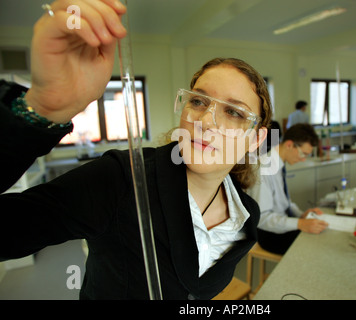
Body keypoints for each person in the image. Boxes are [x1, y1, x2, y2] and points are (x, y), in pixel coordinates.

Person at [0, 0, 272, 300]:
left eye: (234, 112)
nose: (206, 121)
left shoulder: (246, 216)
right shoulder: (124, 178)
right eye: (198, 101)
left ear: (255, 139)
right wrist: (41, 108)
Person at [247, 124, 328, 255]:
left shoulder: (278, 164)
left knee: (321, 235)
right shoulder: (264, 170)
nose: (303, 159)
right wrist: (300, 224)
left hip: (280, 223)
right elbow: (262, 219)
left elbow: (284, 202)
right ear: (289, 144)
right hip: (268, 234)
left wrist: (300, 214)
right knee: (316, 247)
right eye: (303, 154)